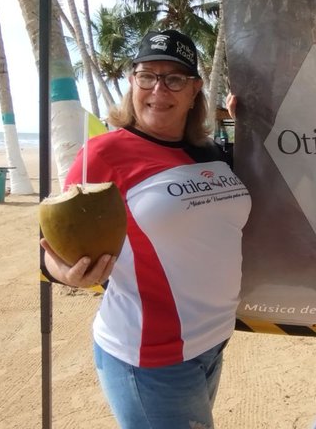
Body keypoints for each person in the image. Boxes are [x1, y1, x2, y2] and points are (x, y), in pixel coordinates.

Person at [40, 29, 251, 429]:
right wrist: (66, 273)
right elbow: (54, 246)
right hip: (149, 355)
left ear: (194, 91)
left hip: (212, 342)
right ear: (132, 82)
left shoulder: (209, 152)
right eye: (147, 76)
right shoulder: (104, 153)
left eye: (174, 79)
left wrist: (250, 126)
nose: (159, 89)